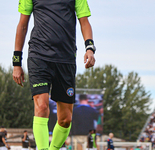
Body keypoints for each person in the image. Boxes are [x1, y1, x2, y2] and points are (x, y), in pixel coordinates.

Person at [12, 0, 96, 148]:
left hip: (66, 59)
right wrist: (16, 62)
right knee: (42, 106)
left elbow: (84, 21)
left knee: (65, 119)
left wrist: (89, 48)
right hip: (39, 56)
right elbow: (22, 25)